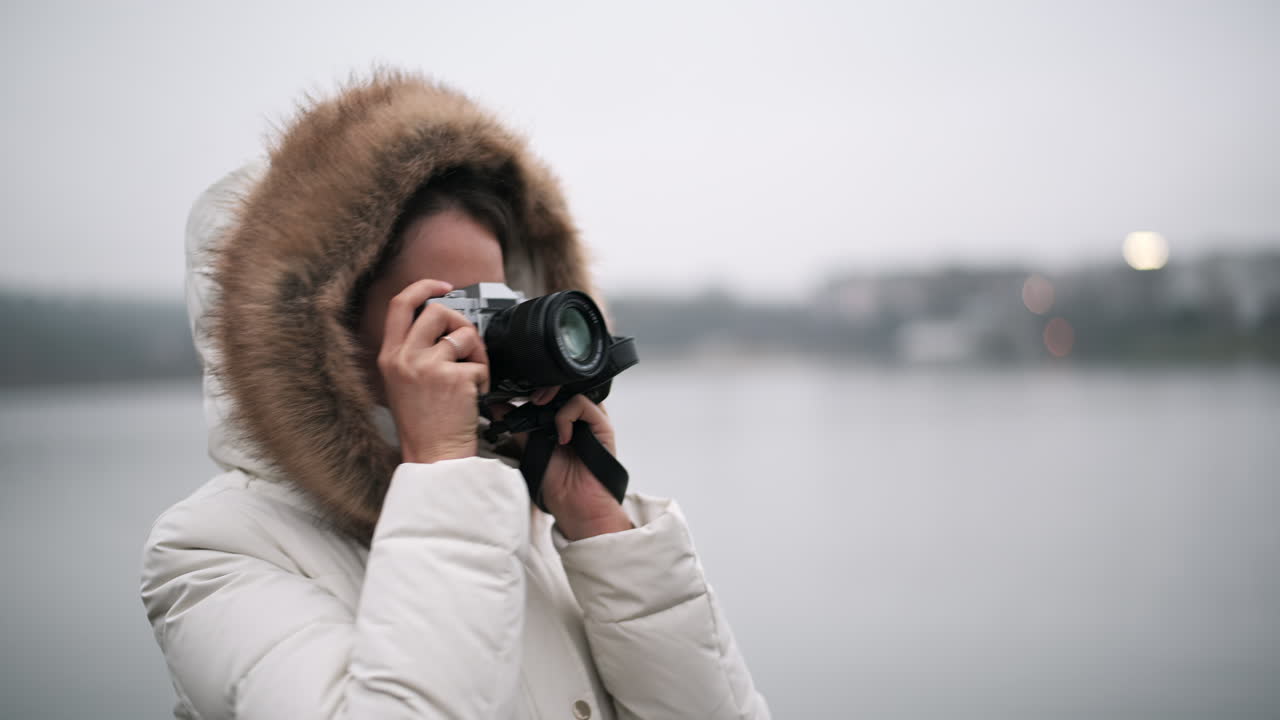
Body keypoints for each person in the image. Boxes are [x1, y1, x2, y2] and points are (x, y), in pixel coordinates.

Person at [139, 71, 771, 719]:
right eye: (446, 309)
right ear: (315, 338)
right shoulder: (213, 553)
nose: (481, 335)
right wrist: (438, 473)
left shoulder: (516, 506)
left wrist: (602, 531)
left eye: (496, 303)